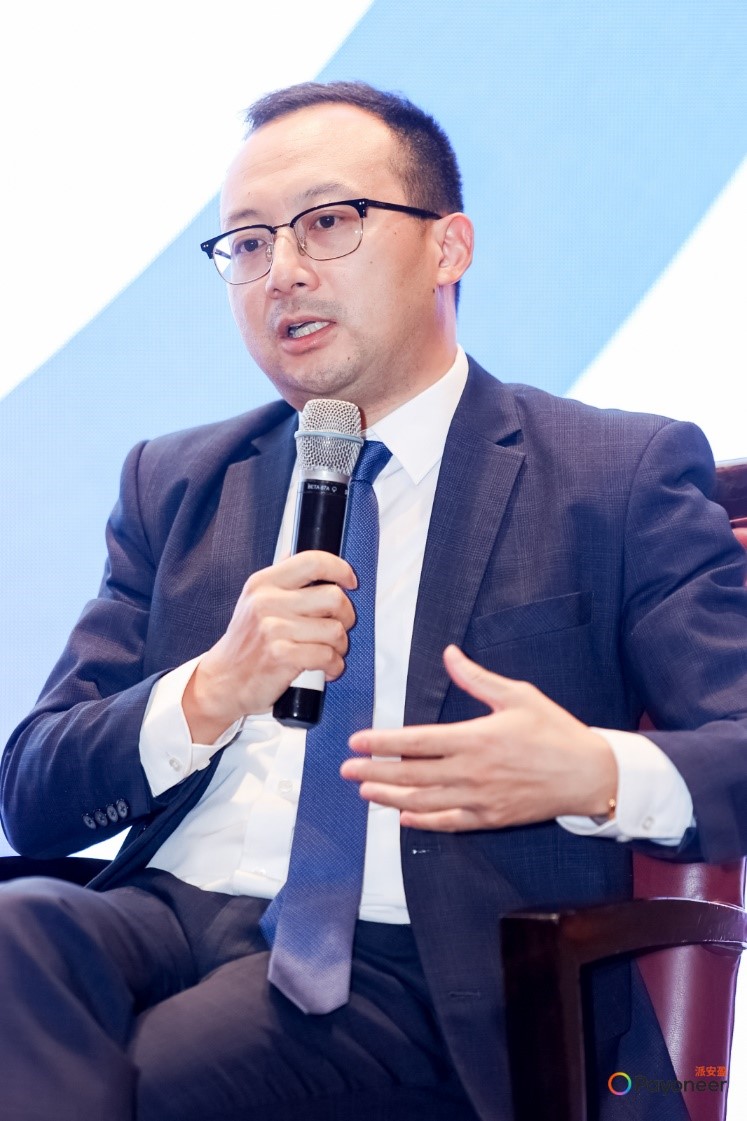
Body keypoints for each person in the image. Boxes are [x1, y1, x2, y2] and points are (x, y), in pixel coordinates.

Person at [1, 80, 746, 1121]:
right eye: (247, 242)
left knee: (156, 1077)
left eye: (326, 222)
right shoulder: (177, 482)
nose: (282, 271)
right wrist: (208, 691)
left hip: (425, 962)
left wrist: (595, 769)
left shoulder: (612, 473)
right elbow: (33, 792)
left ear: (447, 247)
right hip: (161, 913)